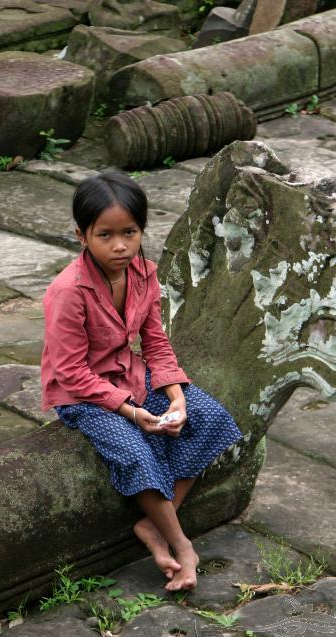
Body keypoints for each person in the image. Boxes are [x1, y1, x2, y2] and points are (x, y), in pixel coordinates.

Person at [41, 169, 243, 591]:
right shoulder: (68, 291)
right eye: (105, 235)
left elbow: (155, 342)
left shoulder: (143, 274)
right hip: (83, 395)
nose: (120, 245)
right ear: (82, 236)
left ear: (141, 231)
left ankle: (154, 525)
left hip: (131, 374)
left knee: (209, 417)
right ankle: (181, 544)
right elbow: (70, 371)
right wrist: (131, 412)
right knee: (135, 450)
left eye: (129, 232)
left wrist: (176, 396)